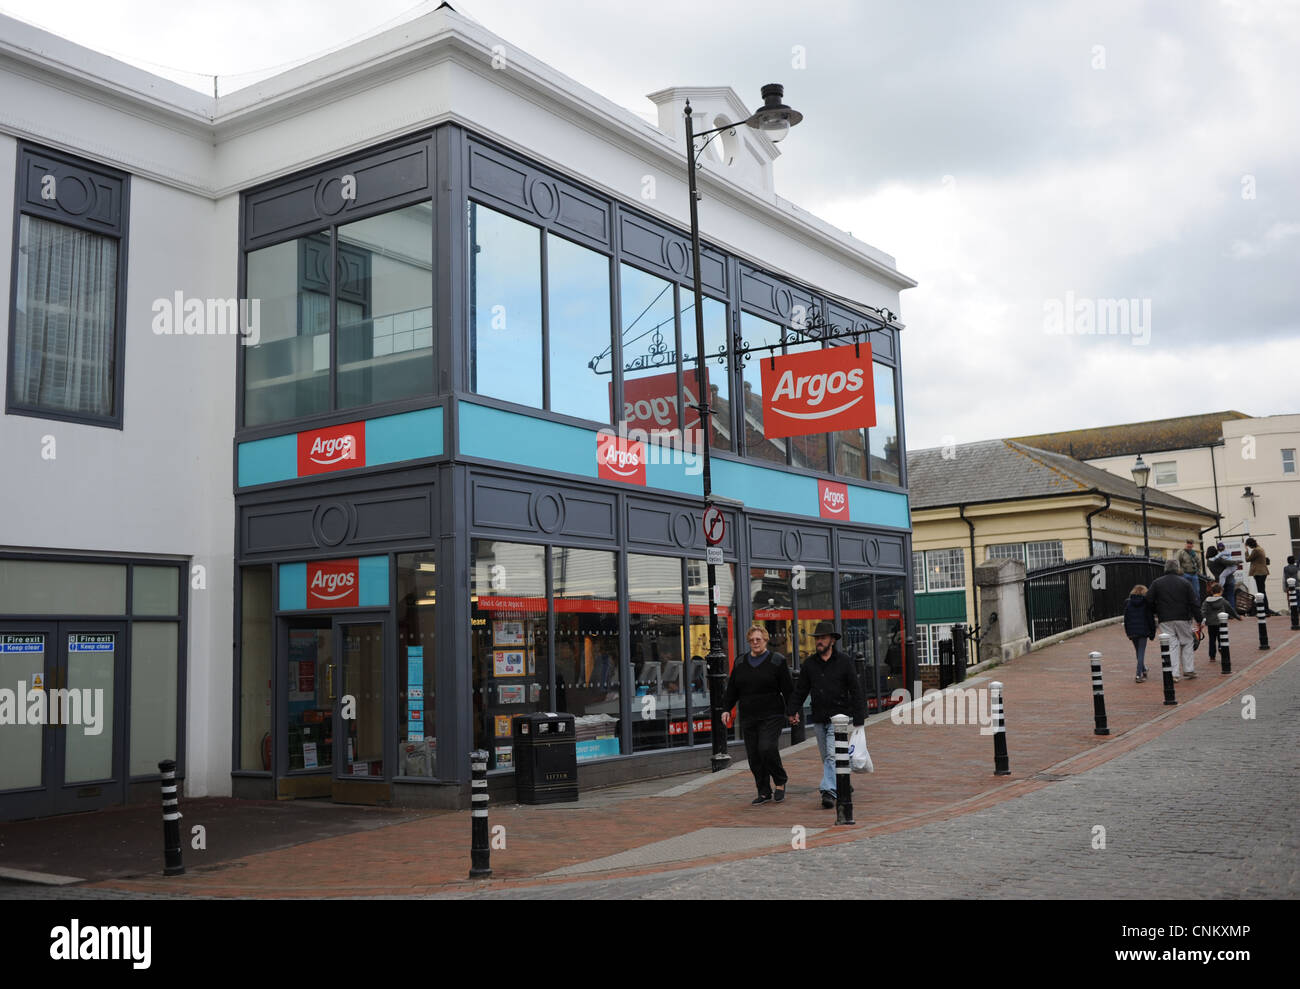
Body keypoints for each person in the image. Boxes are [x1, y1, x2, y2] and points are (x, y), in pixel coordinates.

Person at [786, 620, 865, 808]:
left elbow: (855, 689)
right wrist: (792, 711)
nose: (819, 641)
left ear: (832, 641)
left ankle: (828, 791)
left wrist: (859, 717)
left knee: (831, 755)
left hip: (839, 717)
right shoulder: (810, 664)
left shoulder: (844, 661)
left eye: (823, 638)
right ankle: (842, 781)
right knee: (827, 756)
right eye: (817, 639)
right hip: (819, 716)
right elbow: (801, 690)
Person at [721, 625, 793, 804]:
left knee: (766, 748)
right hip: (749, 715)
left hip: (772, 714)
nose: (755, 643)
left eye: (758, 639)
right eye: (752, 640)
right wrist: (726, 709)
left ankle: (780, 781)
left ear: (766, 640)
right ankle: (763, 791)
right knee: (754, 755)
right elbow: (732, 689)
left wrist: (792, 711)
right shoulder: (740, 663)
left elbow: (788, 689)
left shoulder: (777, 661)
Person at [1146, 559, 1202, 680]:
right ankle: (1188, 669)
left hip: (1165, 618)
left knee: (1172, 644)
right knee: (1187, 642)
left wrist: (1156, 611)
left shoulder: (1157, 583)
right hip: (1183, 617)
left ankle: (1173, 674)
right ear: (1177, 568)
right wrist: (1199, 619)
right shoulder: (1185, 583)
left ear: (1165, 568)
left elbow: (1148, 600)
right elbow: (1194, 602)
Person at [1123, 584, 1156, 682]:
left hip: (1132, 631)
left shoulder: (1128, 603)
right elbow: (1150, 619)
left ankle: (1144, 669)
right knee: (1141, 652)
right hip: (1143, 630)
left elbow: (1126, 619)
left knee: (1138, 651)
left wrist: (1128, 632)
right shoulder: (1146, 604)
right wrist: (1152, 632)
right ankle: (1138, 674)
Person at [1205, 546, 1241, 619]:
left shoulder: (1208, 562)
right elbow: (1228, 563)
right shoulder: (1218, 559)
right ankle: (1232, 614)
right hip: (1229, 579)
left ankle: (1223, 614)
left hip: (1219, 581)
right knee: (1230, 596)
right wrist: (1236, 562)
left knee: (1222, 598)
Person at [1245, 538, 1278, 616]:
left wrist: (1246, 551)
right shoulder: (1260, 548)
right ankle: (1266, 610)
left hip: (1259, 573)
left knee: (1261, 592)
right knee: (1262, 591)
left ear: (1250, 544)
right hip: (1263, 572)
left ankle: (1266, 611)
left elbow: (1248, 559)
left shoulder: (1256, 550)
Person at [1201, 582, 1231, 664]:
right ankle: (1221, 648)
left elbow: (1203, 611)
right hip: (1220, 623)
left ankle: (1212, 656)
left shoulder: (1206, 601)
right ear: (1221, 591)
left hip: (1210, 623)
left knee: (1212, 639)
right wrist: (1237, 617)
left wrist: (1203, 620)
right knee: (1221, 638)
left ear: (1212, 592)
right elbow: (1230, 608)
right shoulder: (1222, 600)